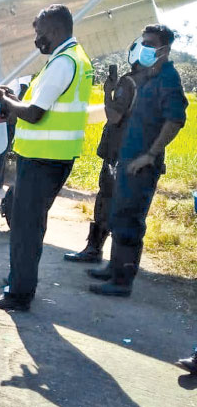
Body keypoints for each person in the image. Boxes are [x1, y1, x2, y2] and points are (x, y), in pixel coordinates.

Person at [0, 4, 93, 311]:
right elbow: (38, 105)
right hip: (49, 156)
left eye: (40, 33)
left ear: (55, 31)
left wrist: (3, 99)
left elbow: (33, 113)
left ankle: (19, 294)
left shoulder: (62, 63)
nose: (37, 39)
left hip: (45, 158)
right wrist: (13, 98)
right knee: (18, 213)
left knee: (26, 228)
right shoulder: (71, 58)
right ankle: (20, 284)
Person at [88, 24, 189, 297]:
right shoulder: (148, 77)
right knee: (119, 215)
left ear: (164, 50)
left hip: (142, 165)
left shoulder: (168, 78)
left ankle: (122, 282)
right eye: (142, 43)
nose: (142, 48)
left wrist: (150, 155)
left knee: (130, 221)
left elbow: (176, 119)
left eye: (149, 44)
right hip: (127, 160)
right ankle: (113, 269)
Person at [63, 61, 141, 262]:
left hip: (118, 152)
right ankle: (118, 260)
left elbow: (114, 116)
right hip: (134, 152)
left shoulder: (129, 81)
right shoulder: (153, 81)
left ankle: (94, 250)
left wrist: (108, 92)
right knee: (125, 204)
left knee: (107, 199)